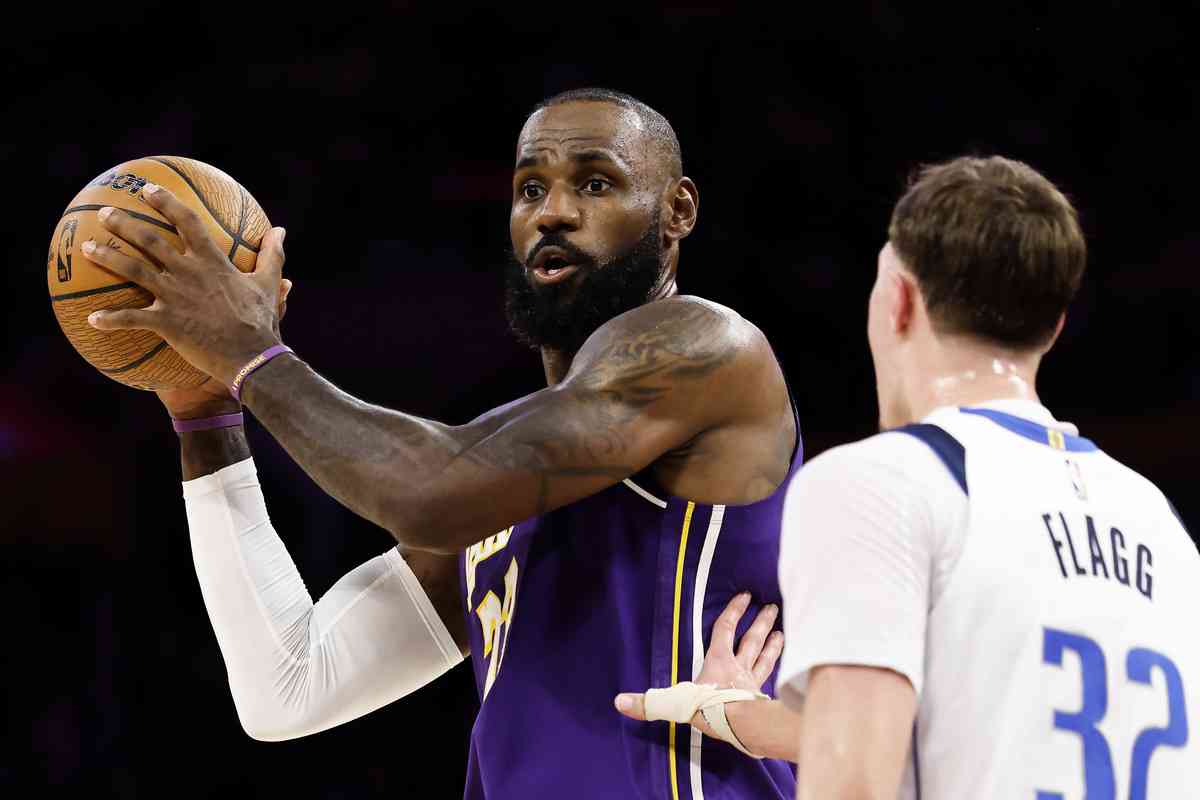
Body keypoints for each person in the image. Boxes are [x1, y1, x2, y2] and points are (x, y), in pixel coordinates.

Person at [84, 88, 799, 799]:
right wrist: (207, 413)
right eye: (530, 189)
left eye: (595, 183)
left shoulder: (705, 347)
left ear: (678, 210)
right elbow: (289, 687)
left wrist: (249, 353)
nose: (552, 211)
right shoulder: (507, 474)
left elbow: (430, 495)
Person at [617, 155, 1200, 798]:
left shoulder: (884, 481)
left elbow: (855, 782)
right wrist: (738, 715)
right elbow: (1005, 730)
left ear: (898, 298)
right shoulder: (1160, 521)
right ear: (1054, 326)